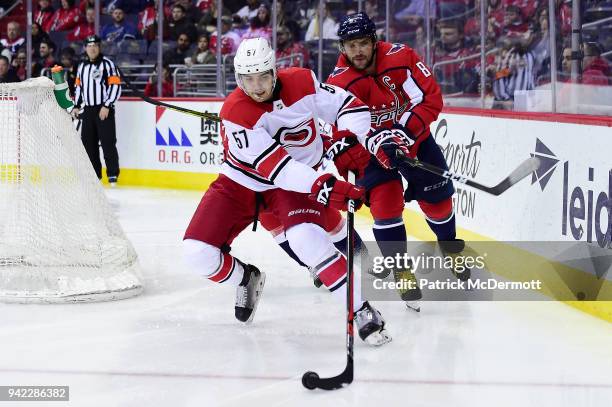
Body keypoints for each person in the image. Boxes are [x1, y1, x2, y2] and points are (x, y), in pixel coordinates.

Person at [182, 37, 390, 346]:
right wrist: (327, 185)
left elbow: (346, 106)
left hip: (290, 184)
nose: (256, 86)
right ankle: (247, 279)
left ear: (274, 72)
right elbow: (280, 168)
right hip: (243, 183)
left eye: (262, 76)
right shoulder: (236, 112)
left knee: (308, 240)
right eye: (247, 78)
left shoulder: (302, 81)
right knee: (197, 254)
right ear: (238, 78)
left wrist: (360, 137)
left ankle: (360, 307)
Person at [326, 12, 471, 311]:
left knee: (439, 202)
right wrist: (358, 156)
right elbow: (341, 134)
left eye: (363, 43)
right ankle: (401, 269)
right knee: (385, 207)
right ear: (342, 48)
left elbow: (431, 97)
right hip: (374, 155)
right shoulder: (338, 84)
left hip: (416, 141)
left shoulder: (402, 57)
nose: (358, 52)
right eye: (350, 46)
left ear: (374, 41)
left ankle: (449, 245)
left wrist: (404, 132)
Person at [72, 35, 122, 185]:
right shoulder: (82, 67)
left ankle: (113, 174)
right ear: (85, 48)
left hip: (103, 109)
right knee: (89, 144)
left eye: (95, 45)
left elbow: (115, 86)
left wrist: (107, 105)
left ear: (99, 47)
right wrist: (76, 105)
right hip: (88, 110)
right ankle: (95, 175)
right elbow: (78, 88)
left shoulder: (108, 65)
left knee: (108, 142)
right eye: (89, 45)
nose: (92, 48)